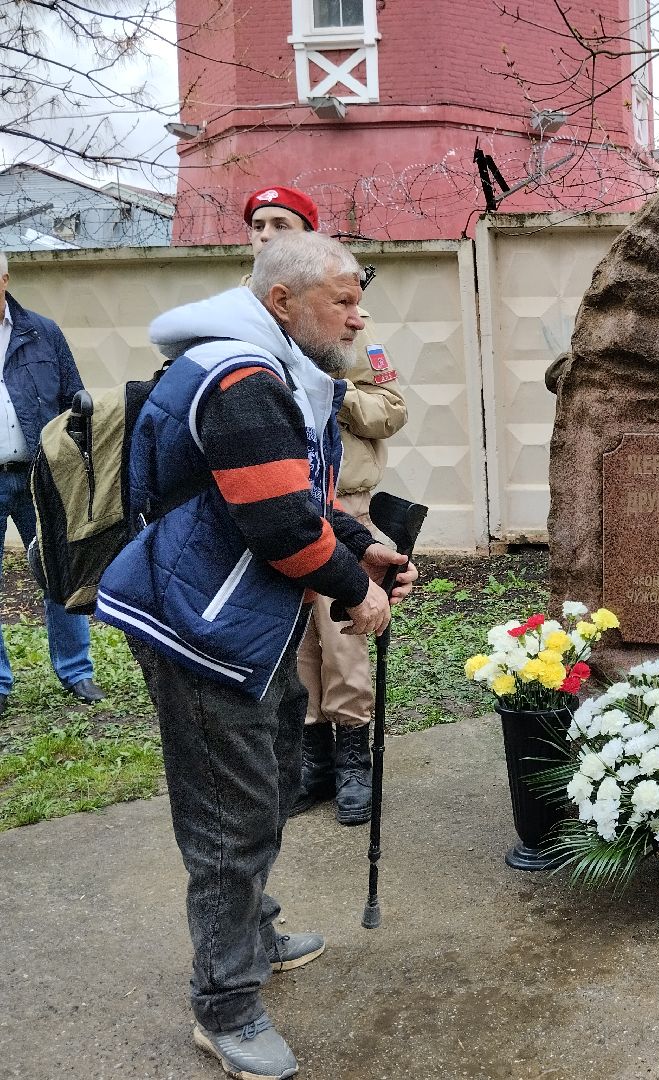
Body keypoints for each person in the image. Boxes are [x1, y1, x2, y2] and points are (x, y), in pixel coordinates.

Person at [95, 232, 417, 1080]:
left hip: (243, 621)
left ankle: (255, 933)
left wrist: (360, 544)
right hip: (198, 630)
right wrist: (357, 592)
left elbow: (294, 496)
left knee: (271, 780)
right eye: (343, 299)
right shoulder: (241, 378)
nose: (360, 314)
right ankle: (226, 1004)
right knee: (228, 825)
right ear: (283, 302)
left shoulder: (272, 371)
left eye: (359, 295)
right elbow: (275, 526)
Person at [240, 184, 410, 824]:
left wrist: (331, 394)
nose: (267, 234)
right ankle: (312, 762)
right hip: (284, 509)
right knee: (299, 647)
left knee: (343, 640)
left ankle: (353, 763)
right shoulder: (246, 328)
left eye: (282, 223)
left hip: (347, 509)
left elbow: (391, 410)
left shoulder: (349, 334)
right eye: (259, 225)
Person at [0, 250, 104, 712]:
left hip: (40, 473)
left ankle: (76, 671)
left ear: (4, 278)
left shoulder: (41, 331)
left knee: (60, 571)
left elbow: (71, 395)